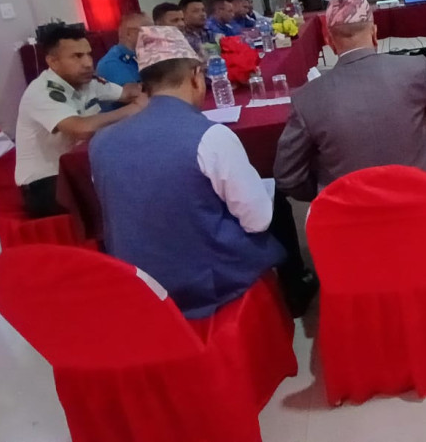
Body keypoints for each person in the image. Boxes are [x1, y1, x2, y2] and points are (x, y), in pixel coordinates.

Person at [89, 26, 286, 319]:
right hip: (202, 283)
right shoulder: (210, 136)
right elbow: (257, 221)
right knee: (273, 205)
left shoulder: (100, 142)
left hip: (137, 283)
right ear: (196, 76)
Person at [274, 0, 426, 204]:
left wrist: (326, 190)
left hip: (352, 218)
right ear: (375, 34)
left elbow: (287, 177)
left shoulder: (306, 99)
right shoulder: (413, 69)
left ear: (329, 42)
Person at [14, 25, 146, 218]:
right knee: (128, 192)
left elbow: (127, 93)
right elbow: (80, 129)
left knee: (141, 171)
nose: (87, 63)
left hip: (79, 168)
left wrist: (159, 86)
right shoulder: (42, 92)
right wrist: (133, 109)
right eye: (77, 56)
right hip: (46, 184)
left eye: (88, 54)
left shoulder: (87, 82)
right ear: (52, 62)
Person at [95, 12, 150, 88]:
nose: (154, 35)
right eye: (148, 30)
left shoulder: (146, 56)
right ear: (129, 34)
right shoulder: (111, 65)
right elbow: (137, 94)